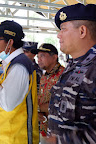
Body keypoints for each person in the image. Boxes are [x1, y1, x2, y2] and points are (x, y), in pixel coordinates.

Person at [0, 20, 39, 144]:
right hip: (5, 138)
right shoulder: (12, 65)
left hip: (15, 139)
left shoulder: (19, 67)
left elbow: (7, 104)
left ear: (10, 42)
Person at [47, 3, 96, 143]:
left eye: (63, 29)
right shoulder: (73, 65)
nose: (58, 35)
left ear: (82, 31)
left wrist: (60, 141)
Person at [33, 43, 65, 144]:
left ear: (54, 57)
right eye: (38, 57)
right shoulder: (44, 76)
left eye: (42, 56)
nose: (39, 59)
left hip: (59, 133)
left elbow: (63, 105)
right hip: (44, 129)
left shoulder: (64, 75)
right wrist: (38, 112)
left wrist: (37, 108)